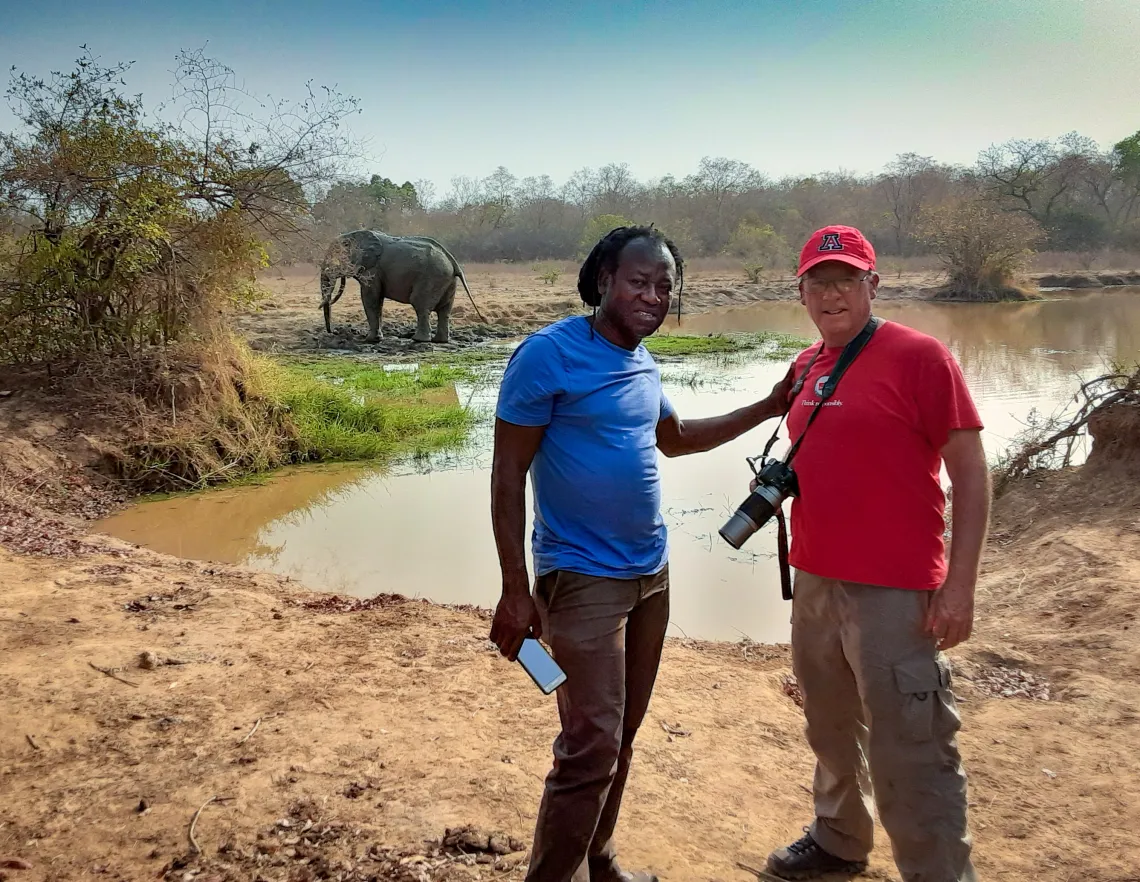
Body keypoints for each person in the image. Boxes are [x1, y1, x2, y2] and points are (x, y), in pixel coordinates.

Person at [489, 225, 795, 882]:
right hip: (580, 583)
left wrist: (770, 405)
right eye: (639, 281)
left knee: (619, 736)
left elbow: (676, 437)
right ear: (603, 279)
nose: (653, 296)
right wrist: (516, 589)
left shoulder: (641, 359)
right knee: (589, 746)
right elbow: (507, 472)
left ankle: (600, 862)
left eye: (664, 286)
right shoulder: (548, 355)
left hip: (649, 578)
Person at [762, 225, 990, 882]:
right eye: (819, 282)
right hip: (815, 582)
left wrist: (959, 586)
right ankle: (838, 839)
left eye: (846, 279)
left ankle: (939, 872)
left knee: (911, 748)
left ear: (872, 285)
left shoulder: (921, 357)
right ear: (801, 291)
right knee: (829, 725)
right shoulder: (807, 366)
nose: (832, 294)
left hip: (895, 590)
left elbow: (971, 472)